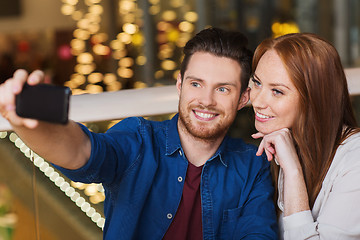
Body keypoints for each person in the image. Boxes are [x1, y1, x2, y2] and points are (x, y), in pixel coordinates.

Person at [0, 28, 277, 239]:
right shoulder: (138, 139)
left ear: (243, 98)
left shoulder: (253, 166)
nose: (206, 100)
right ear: (180, 84)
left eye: (223, 89)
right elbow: (81, 153)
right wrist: (23, 120)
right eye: (196, 83)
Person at [249, 32, 360, 239]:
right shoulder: (278, 141)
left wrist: (293, 172)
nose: (257, 101)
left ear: (315, 99)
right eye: (257, 83)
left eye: (277, 91)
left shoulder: (355, 162)